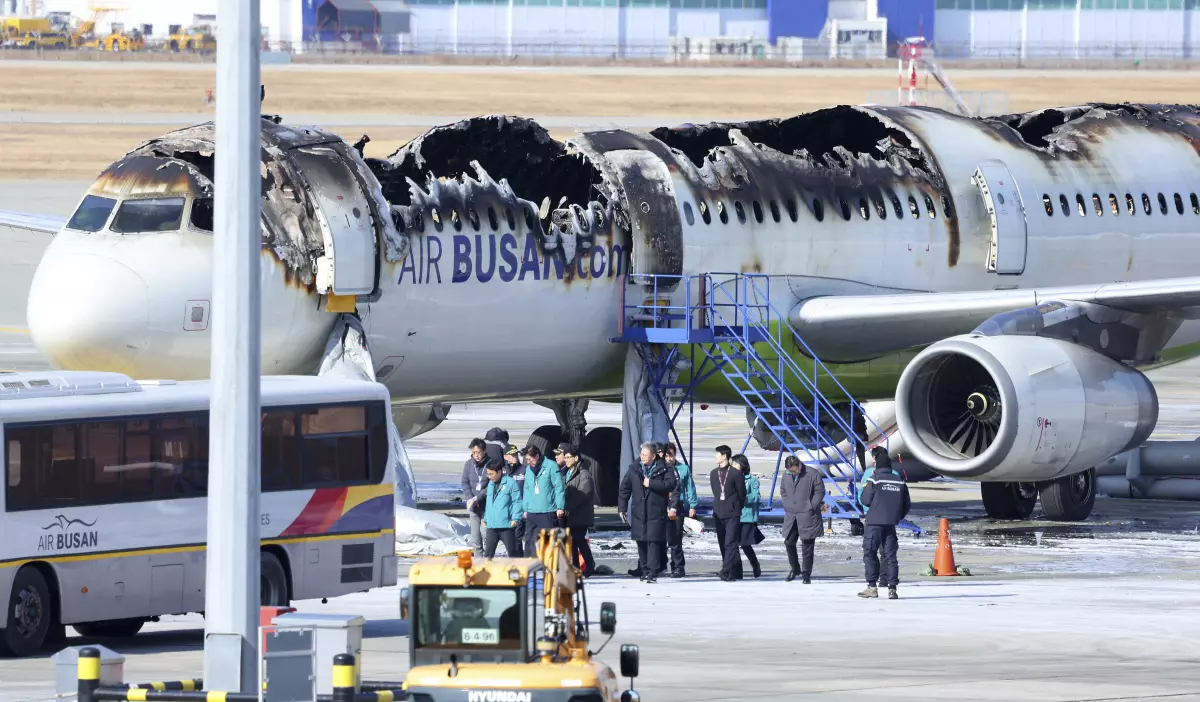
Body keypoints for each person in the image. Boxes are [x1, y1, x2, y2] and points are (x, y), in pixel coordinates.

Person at [618, 442, 678, 584]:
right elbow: (624, 488)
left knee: (653, 542)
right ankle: (644, 570)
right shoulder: (635, 468)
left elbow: (670, 485)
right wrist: (622, 507)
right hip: (639, 511)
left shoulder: (665, 468)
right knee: (641, 541)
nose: (642, 457)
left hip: (655, 511)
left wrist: (651, 483)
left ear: (653, 455)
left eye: (645, 454)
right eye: (641, 454)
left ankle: (652, 572)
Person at [858, 452, 911, 600]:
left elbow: (865, 500)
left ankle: (872, 587)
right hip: (890, 524)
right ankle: (892, 588)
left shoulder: (874, 479)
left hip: (874, 523)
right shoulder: (899, 481)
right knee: (890, 556)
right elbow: (907, 504)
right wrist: (897, 516)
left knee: (870, 553)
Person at [779, 454, 826, 583]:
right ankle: (795, 568)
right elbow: (783, 491)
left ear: (799, 464)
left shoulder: (812, 473)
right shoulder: (786, 475)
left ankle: (806, 574)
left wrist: (811, 505)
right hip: (791, 515)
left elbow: (820, 491)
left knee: (807, 546)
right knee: (789, 542)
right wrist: (787, 503)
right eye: (790, 471)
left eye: (794, 470)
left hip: (808, 515)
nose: (792, 472)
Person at [709, 445, 746, 582]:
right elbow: (715, 492)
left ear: (724, 456)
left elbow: (742, 494)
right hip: (719, 512)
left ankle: (726, 571)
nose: (715, 457)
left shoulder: (736, 473)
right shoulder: (714, 473)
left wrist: (736, 507)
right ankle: (734, 571)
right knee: (722, 542)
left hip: (732, 513)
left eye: (717, 454)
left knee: (730, 543)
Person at [521, 445, 565, 556]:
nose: (528, 461)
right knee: (529, 542)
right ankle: (529, 566)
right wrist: (525, 508)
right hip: (531, 511)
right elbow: (526, 489)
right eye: (526, 459)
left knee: (548, 542)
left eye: (530, 459)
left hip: (547, 510)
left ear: (537, 456)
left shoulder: (551, 466)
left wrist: (560, 506)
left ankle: (549, 567)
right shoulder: (528, 469)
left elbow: (558, 487)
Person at [560, 443, 597, 576]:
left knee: (579, 541)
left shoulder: (584, 474)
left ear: (576, 458)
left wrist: (567, 506)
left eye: (569, 457)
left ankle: (589, 564)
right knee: (572, 542)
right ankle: (575, 566)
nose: (566, 459)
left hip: (580, 515)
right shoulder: (566, 472)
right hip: (570, 515)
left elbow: (583, 492)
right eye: (565, 457)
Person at [664, 443, 697, 578]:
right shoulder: (661, 468)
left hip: (677, 506)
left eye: (670, 455)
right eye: (666, 456)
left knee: (676, 538)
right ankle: (660, 565)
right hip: (662, 505)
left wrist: (693, 505)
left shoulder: (683, 469)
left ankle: (678, 566)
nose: (668, 458)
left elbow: (690, 487)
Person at [480, 460, 522, 558]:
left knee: (513, 553)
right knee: (488, 554)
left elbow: (517, 501)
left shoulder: (510, 483)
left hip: (506, 526)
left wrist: (516, 518)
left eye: (491, 474)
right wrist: (486, 518)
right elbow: (489, 504)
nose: (489, 477)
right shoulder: (490, 484)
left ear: (499, 472)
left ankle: (516, 572)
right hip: (492, 526)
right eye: (488, 474)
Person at [733, 454, 762, 579]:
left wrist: (741, 498)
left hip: (747, 516)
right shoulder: (731, 478)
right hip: (734, 515)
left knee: (745, 543)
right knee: (732, 544)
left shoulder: (752, 480)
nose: (733, 466)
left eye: (735, 464)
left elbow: (756, 497)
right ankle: (735, 569)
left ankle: (755, 564)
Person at [460, 438, 490, 556]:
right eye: (474, 453)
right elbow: (464, 482)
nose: (476, 455)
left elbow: (491, 485)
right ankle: (478, 561)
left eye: (479, 452)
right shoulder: (468, 464)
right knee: (475, 537)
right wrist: (470, 497)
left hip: (486, 505)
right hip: (473, 506)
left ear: (484, 451)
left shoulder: (490, 463)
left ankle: (488, 560)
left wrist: (479, 498)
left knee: (485, 534)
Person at [502, 444, 527, 543]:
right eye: (512, 455)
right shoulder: (502, 471)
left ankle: (518, 557)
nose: (515, 457)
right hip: (506, 511)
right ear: (505, 457)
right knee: (508, 540)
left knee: (517, 539)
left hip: (519, 511)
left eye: (516, 454)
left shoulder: (524, 470)